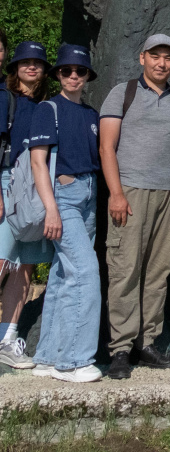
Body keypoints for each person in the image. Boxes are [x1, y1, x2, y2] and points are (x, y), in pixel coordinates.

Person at [99, 34, 170, 380]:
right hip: (131, 191)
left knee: (158, 272)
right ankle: (120, 348)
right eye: (155, 56)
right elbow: (106, 147)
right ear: (142, 58)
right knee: (125, 269)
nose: (161, 63)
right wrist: (116, 193)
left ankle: (148, 342)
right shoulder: (122, 93)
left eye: (168, 57)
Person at [28, 45, 102, 382]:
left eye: (80, 71)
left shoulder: (91, 114)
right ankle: (74, 361)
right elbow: (37, 162)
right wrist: (52, 209)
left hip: (89, 196)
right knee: (86, 272)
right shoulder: (48, 109)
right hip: (63, 198)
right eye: (66, 70)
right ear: (57, 74)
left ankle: (48, 356)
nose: (73, 76)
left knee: (62, 275)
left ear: (87, 76)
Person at [0, 41, 52, 369]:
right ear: (14, 67)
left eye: (38, 62)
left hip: (35, 191)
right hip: (7, 185)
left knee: (25, 265)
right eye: (25, 62)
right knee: (2, 260)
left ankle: (6, 338)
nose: (31, 66)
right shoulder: (5, 98)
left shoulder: (46, 106)